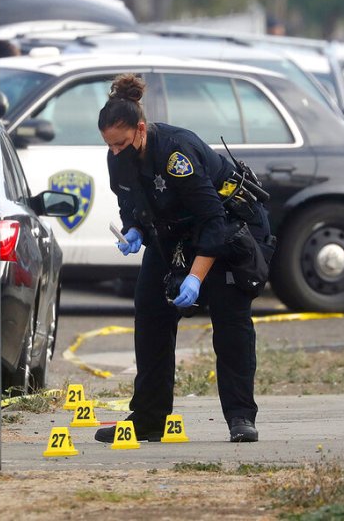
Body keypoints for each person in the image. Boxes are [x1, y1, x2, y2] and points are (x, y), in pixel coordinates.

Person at [95, 73, 274, 444]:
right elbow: (130, 202)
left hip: (230, 231)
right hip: (174, 237)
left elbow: (214, 221)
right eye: (109, 145)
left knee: (230, 320)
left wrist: (195, 278)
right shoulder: (118, 158)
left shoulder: (177, 154)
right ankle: (148, 420)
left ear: (141, 130)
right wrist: (134, 231)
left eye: (122, 143)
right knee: (150, 312)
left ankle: (241, 417)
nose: (116, 152)